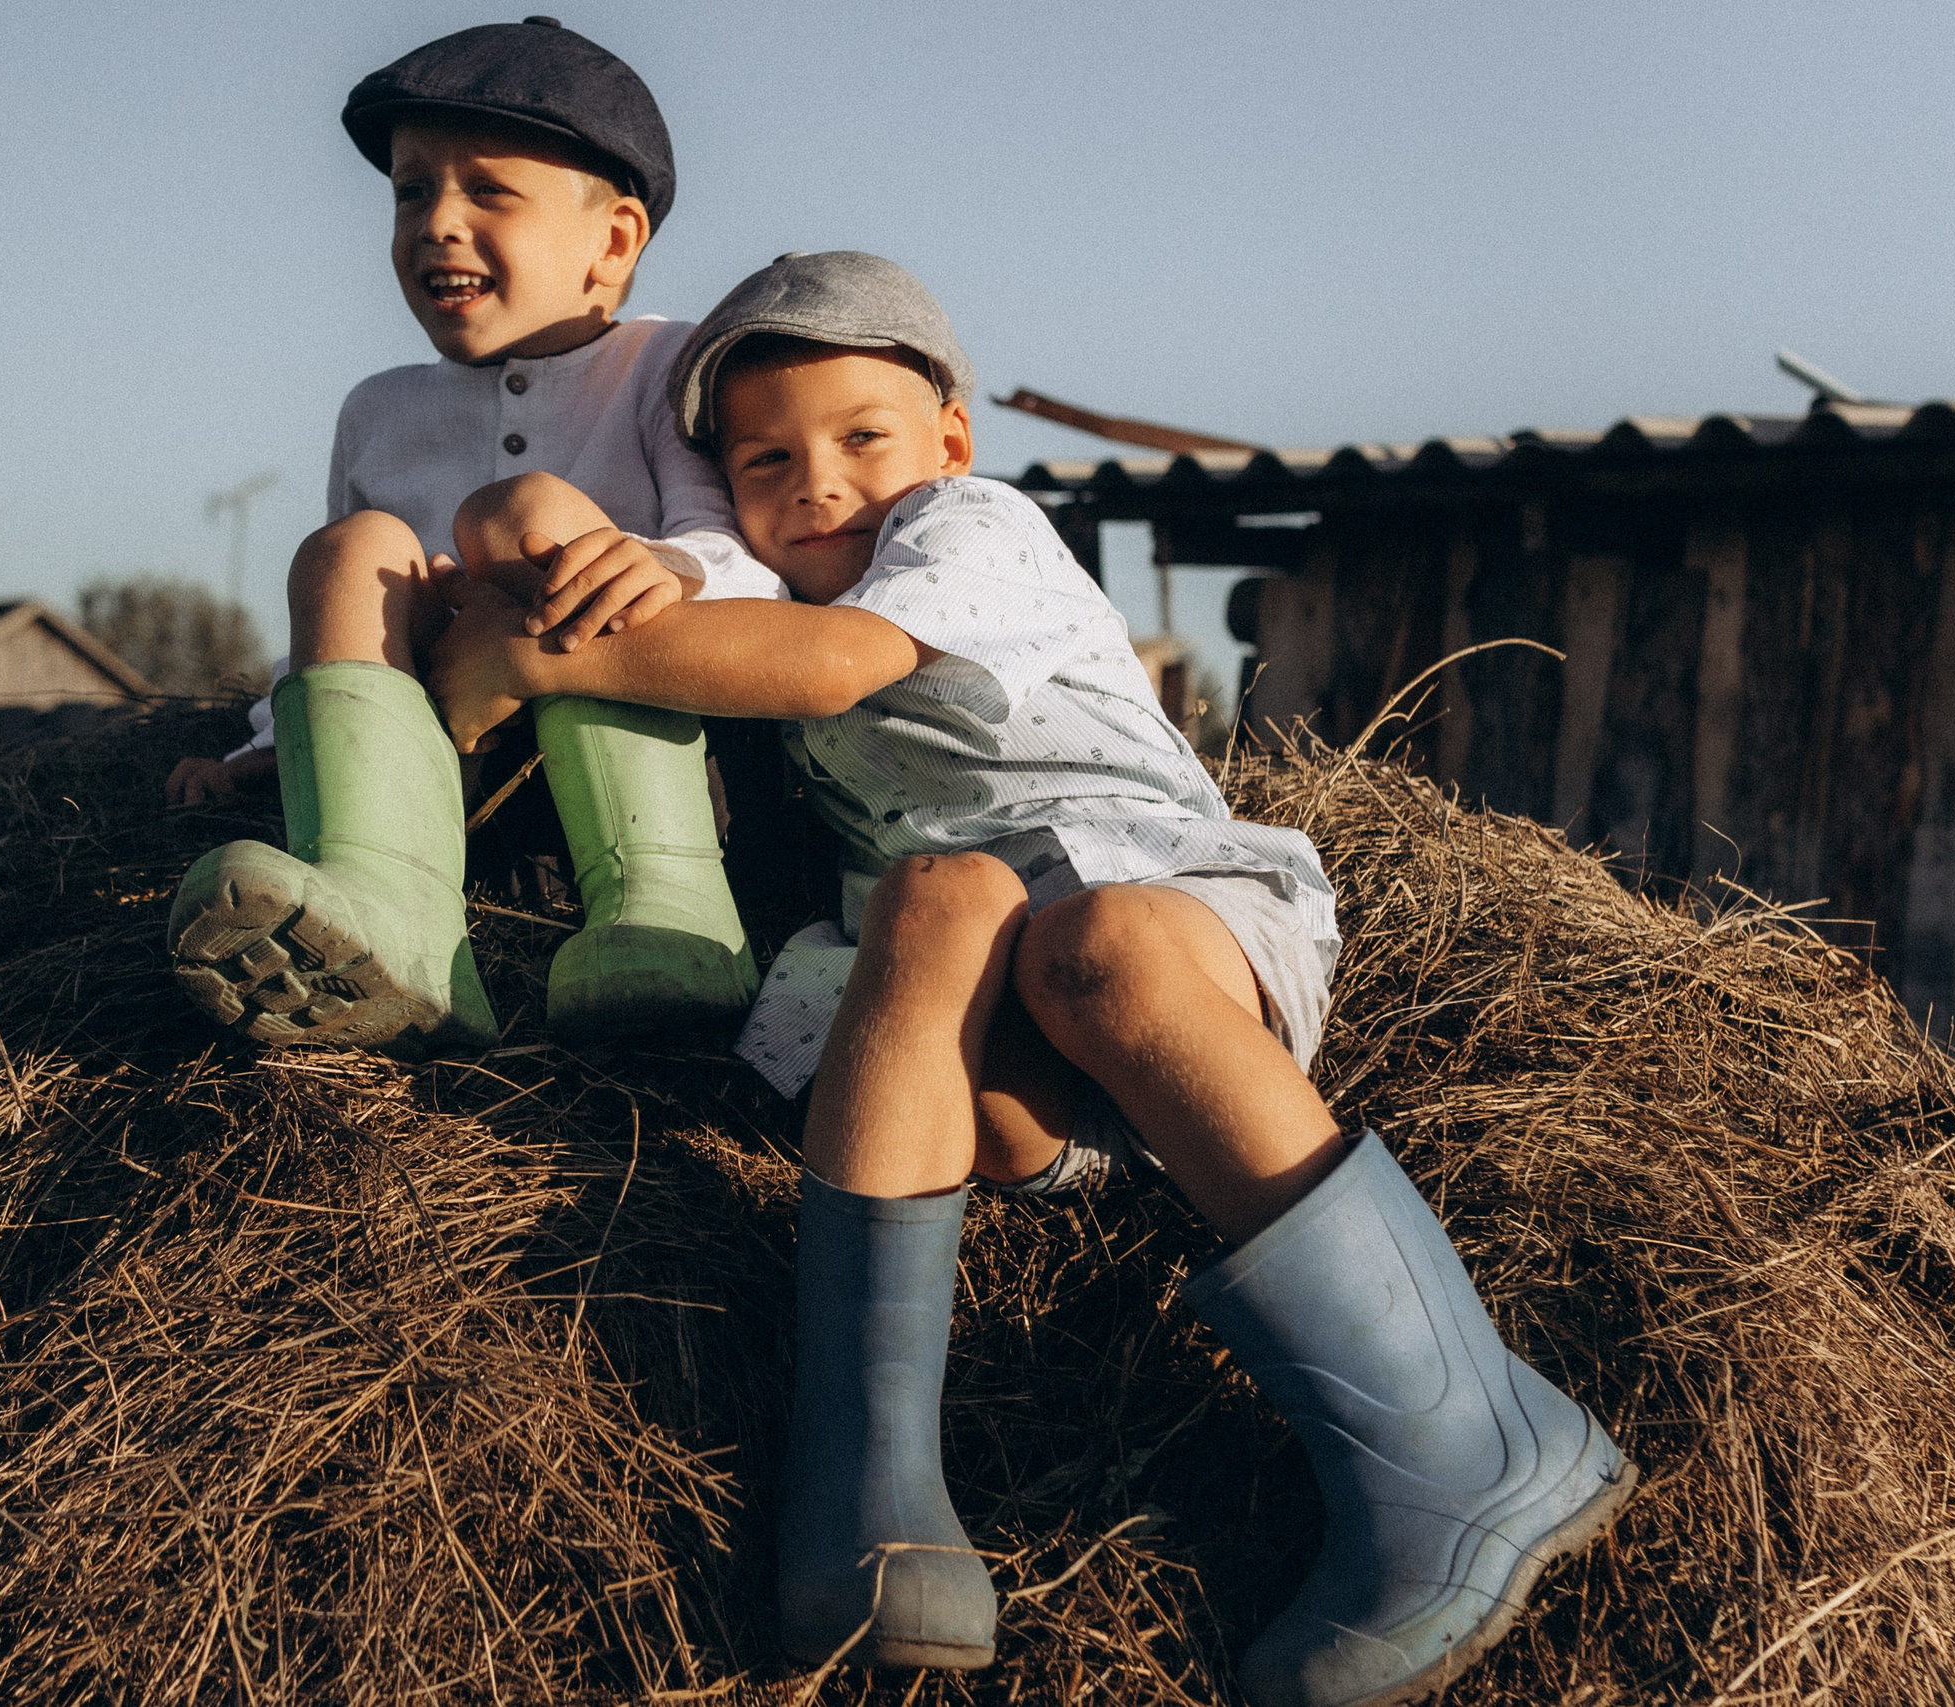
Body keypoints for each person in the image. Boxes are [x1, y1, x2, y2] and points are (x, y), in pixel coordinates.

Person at [427, 251, 1638, 1703]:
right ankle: (869, 1498)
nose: (819, 484)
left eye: (861, 437)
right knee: (937, 898)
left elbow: (828, 667)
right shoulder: (751, 597)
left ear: (948, 439)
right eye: (765, 462)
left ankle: (1468, 1442)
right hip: (1015, 1060)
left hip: (1170, 933)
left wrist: (542, 661)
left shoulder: (970, 527)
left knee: (1088, 946)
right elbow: (643, 603)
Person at [165, 17, 784, 1055]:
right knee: (348, 551)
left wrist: (658, 565)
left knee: (526, 513)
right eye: (412, 192)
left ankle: (667, 912)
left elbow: (736, 559)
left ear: (613, 243)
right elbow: (343, 627)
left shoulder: (663, 365)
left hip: (628, 772)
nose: (437, 222)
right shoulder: (378, 408)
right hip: (443, 781)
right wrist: (263, 749)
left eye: (487, 191)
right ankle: (389, 905)